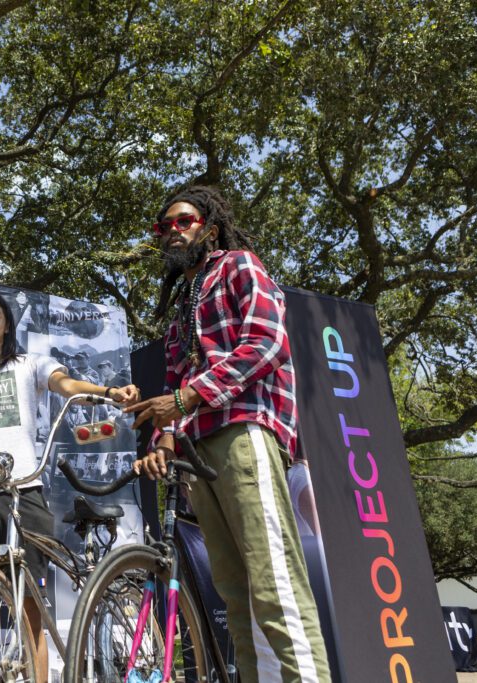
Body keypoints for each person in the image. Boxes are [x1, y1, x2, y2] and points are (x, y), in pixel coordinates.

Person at [128, 185, 332, 683]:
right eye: (163, 227)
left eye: (183, 221)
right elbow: (175, 382)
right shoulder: (181, 306)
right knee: (234, 593)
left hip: (244, 429)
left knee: (274, 579)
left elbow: (266, 343)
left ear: (209, 228)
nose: (171, 232)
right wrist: (165, 441)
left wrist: (185, 399)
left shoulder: (239, 265)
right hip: (198, 450)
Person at [0, 291, 139, 681]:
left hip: (23, 490)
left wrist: (108, 393)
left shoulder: (30, 364)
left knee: (30, 607)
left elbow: (65, 384)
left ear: (7, 325)